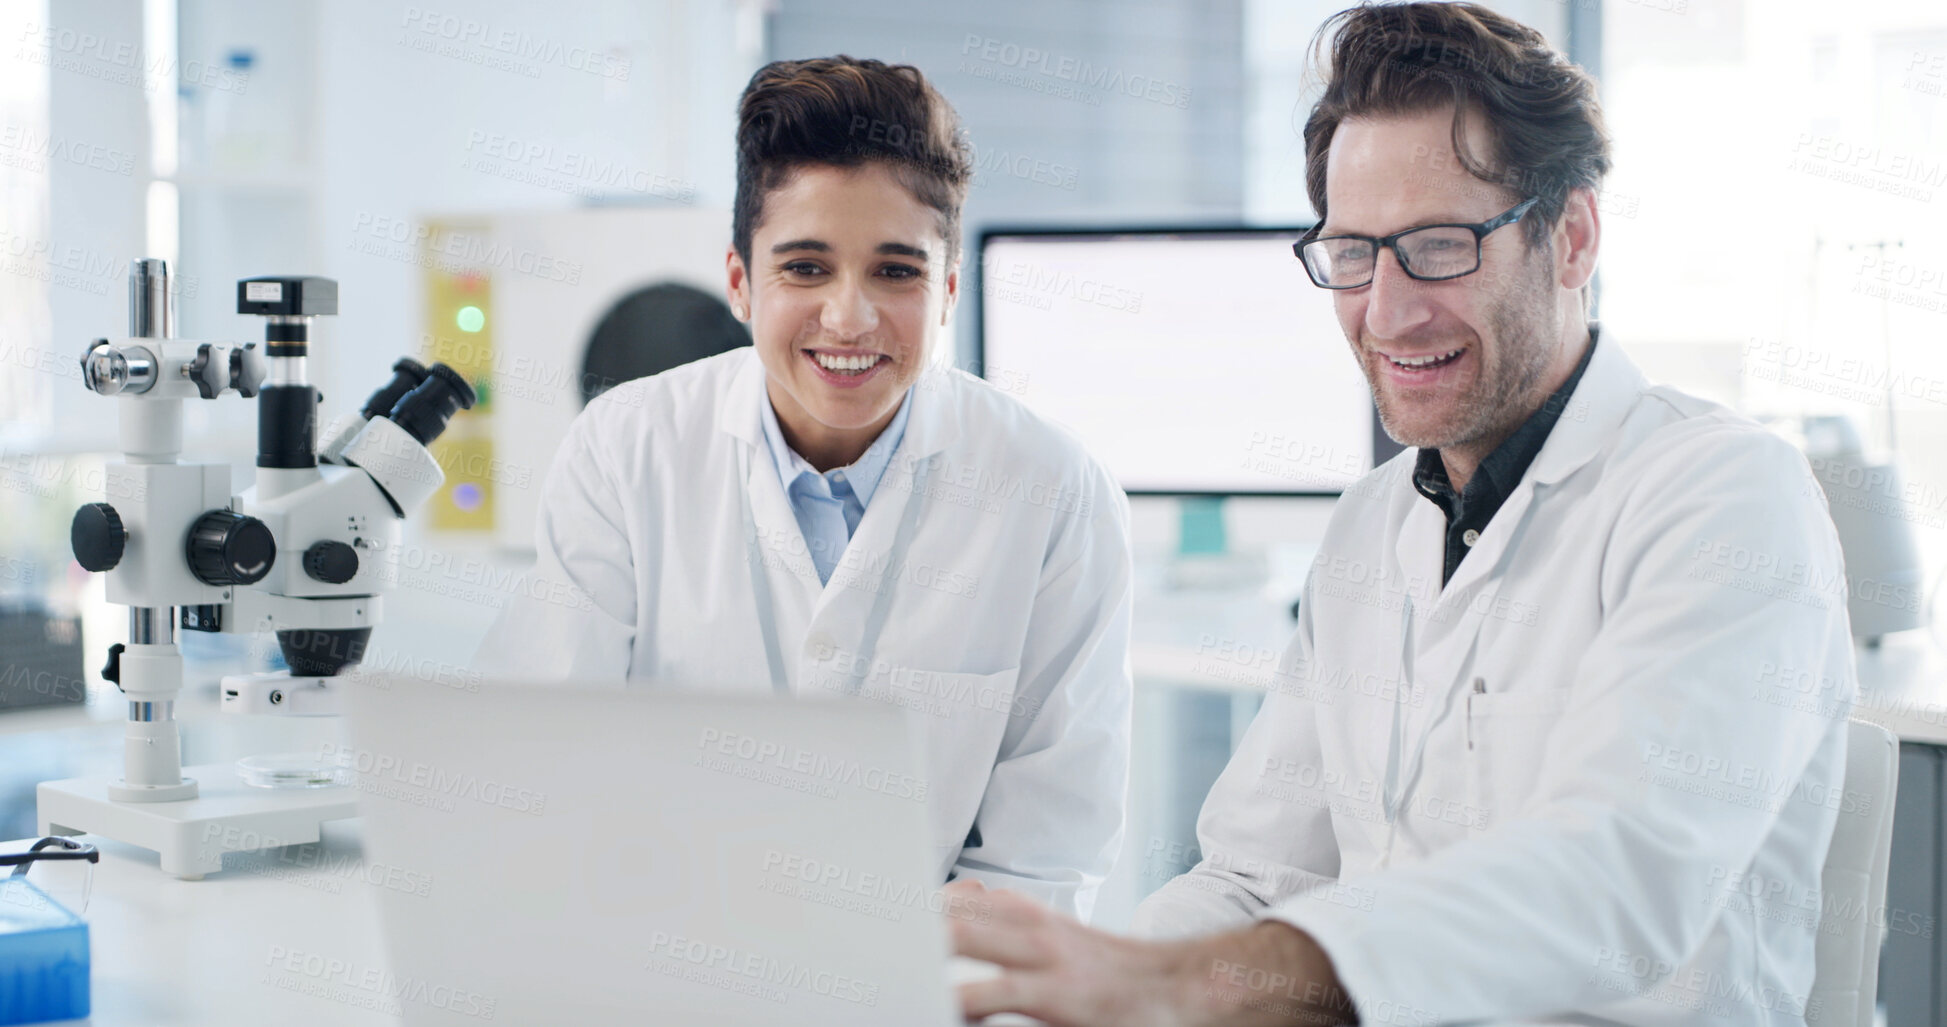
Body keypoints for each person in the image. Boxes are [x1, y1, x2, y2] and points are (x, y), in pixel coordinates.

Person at [944, 4, 1856, 1024]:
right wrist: (1062, 988)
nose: (1385, 311)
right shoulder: (1370, 527)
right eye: (1351, 253)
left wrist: (1182, 987)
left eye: (1437, 245)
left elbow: (1615, 884)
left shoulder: (1725, 496)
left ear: (1573, 236)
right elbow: (1253, 882)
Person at [476, 56, 1132, 918]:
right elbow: (541, 762)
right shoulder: (622, 449)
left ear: (947, 293)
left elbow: (1043, 858)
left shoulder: (1054, 491)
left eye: (896, 270)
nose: (850, 318)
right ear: (741, 283)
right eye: (806, 268)